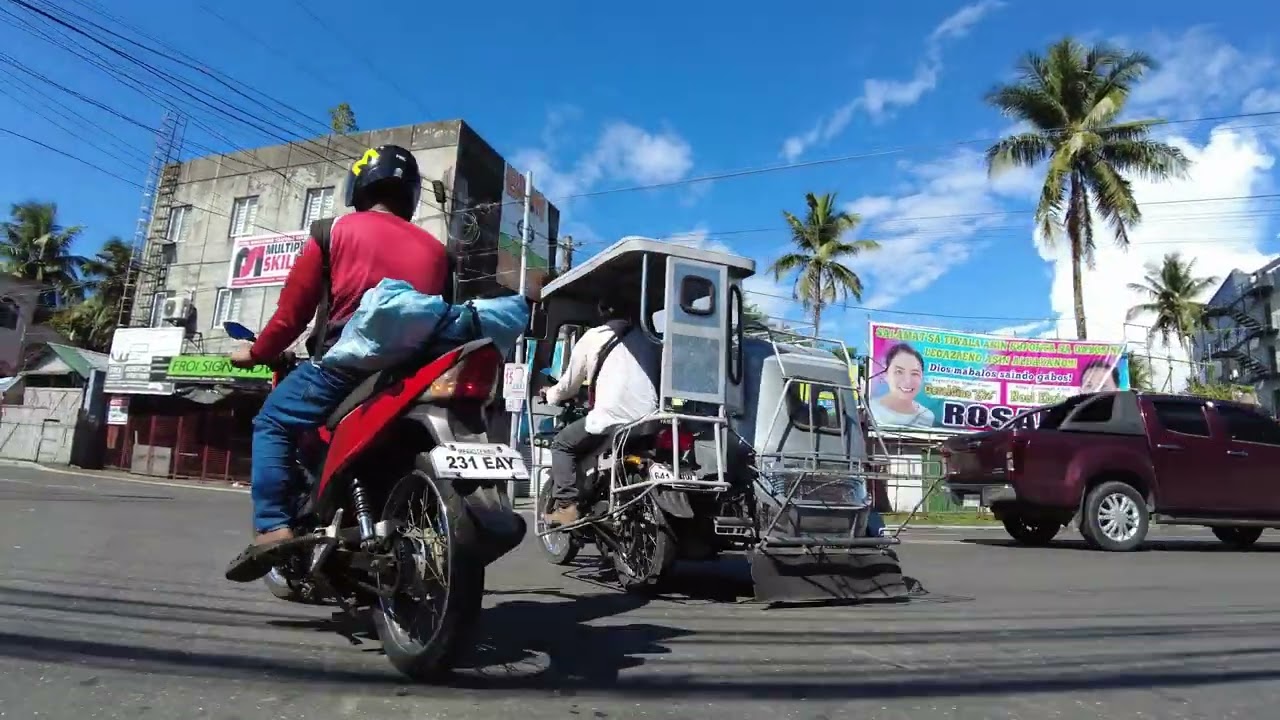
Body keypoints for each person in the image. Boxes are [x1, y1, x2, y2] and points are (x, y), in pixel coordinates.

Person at [224, 144, 449, 583]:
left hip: (343, 370)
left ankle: (273, 528)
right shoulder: (440, 253)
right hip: (412, 376)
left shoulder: (332, 232)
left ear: (359, 185)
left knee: (272, 421)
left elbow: (291, 316)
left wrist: (257, 352)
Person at [540, 294, 660, 526]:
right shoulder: (648, 341)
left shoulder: (593, 337)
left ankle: (567, 508)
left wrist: (550, 394)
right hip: (649, 420)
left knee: (562, 445)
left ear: (602, 311)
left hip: (612, 418)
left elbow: (569, 385)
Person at [869, 343, 935, 428]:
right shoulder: (871, 410)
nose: (907, 380)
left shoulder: (927, 416)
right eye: (899, 372)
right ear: (885, 374)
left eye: (914, 373)